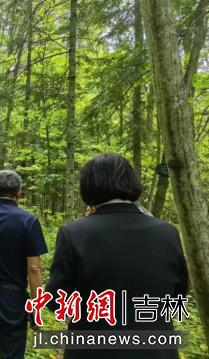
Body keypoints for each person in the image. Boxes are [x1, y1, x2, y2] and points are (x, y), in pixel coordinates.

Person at [46, 153, 189, 359]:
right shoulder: (168, 232)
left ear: (88, 187)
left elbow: (57, 300)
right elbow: (178, 296)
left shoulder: (74, 233)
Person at [0, 170, 48, 359]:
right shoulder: (28, 220)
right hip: (13, 299)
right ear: (19, 192)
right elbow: (34, 268)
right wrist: (37, 309)